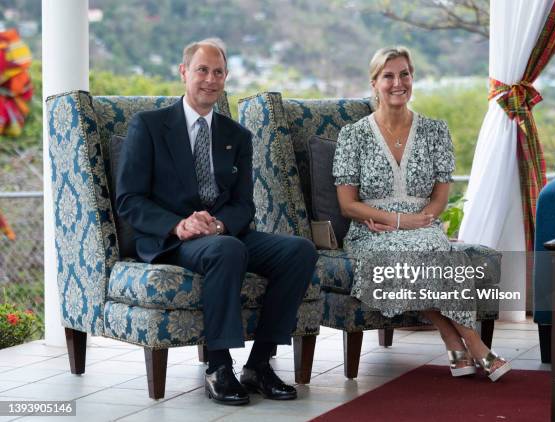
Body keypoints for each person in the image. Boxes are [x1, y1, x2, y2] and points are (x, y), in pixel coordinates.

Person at [116, 38, 317, 405]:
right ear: (184, 73)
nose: (210, 79)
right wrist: (179, 225)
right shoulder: (148, 127)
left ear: (225, 77)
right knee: (227, 251)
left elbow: (244, 204)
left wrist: (220, 225)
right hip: (173, 238)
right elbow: (129, 200)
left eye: (218, 72)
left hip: (223, 233)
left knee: (299, 251)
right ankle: (218, 366)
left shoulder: (236, 136)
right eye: (202, 70)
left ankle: (258, 365)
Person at [332, 46, 511, 382]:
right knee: (409, 253)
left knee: (432, 250)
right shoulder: (352, 135)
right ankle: (472, 343)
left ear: (412, 78)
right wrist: (397, 222)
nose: (398, 83)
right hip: (372, 230)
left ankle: (453, 343)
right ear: (374, 82)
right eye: (388, 76)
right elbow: (347, 204)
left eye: (405, 74)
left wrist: (421, 220)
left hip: (423, 223)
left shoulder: (435, 131)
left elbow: (441, 194)